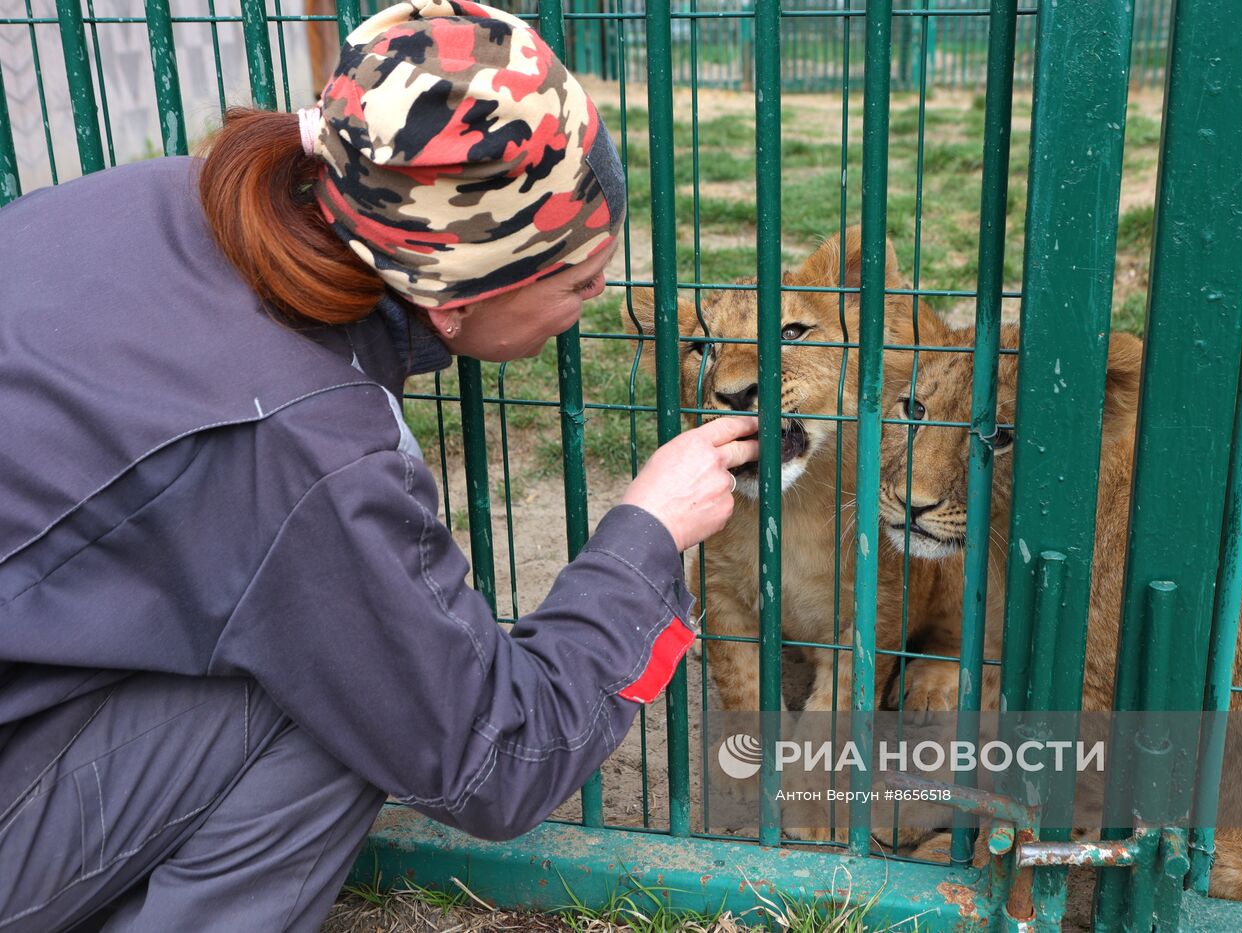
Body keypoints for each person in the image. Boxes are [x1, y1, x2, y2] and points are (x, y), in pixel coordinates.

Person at [0, 2, 757, 930]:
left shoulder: (167, 196)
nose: (598, 297)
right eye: (577, 280)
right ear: (451, 298)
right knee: (352, 702)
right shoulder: (306, 440)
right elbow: (493, 758)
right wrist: (646, 537)